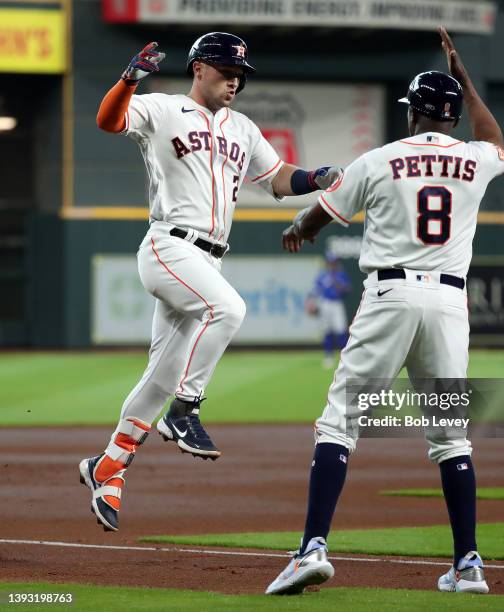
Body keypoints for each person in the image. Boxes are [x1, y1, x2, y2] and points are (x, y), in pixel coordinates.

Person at [266, 27, 504, 595]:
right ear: (451, 116)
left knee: (340, 422)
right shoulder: (475, 160)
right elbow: (496, 139)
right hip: (449, 303)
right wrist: (465, 78)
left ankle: (311, 550)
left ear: (412, 115)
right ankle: (469, 564)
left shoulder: (379, 159)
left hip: (391, 296)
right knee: (452, 436)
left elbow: (323, 212)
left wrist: (297, 227)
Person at [78, 32, 342, 532]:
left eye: (240, 73)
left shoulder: (241, 127)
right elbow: (108, 121)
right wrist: (130, 78)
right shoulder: (162, 109)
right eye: (225, 70)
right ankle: (187, 409)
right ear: (199, 68)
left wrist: (317, 176)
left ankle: (107, 467)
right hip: (169, 244)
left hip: (209, 258)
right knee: (229, 310)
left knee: (160, 374)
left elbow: (278, 178)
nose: (234, 80)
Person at [311, 253, 351, 368]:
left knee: (341, 330)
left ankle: (344, 358)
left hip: (337, 303)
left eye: (335, 262)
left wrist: (336, 282)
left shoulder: (340, 275)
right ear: (328, 263)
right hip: (325, 303)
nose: (333, 264)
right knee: (327, 330)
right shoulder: (322, 275)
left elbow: (347, 289)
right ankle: (328, 356)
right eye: (331, 262)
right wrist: (312, 303)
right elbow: (315, 290)